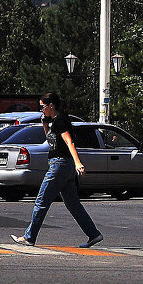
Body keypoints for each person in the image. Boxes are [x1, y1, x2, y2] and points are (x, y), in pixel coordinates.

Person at [12, 92, 103, 248]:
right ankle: (93, 234)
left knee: (41, 201)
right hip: (63, 166)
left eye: (43, 107)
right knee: (73, 204)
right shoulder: (55, 121)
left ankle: (29, 237)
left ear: (51, 106)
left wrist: (78, 162)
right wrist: (45, 124)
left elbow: (69, 142)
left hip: (60, 165)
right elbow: (52, 141)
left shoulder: (60, 121)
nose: (42, 111)